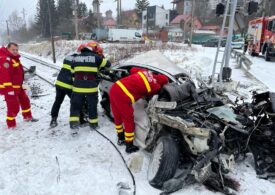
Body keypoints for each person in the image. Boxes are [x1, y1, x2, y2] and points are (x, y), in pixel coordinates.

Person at [109, 67, 169, 153]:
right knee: (128, 119)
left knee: (117, 116)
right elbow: (153, 96)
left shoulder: (146, 72)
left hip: (115, 87)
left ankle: (120, 137)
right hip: (123, 96)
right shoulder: (155, 86)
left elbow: (132, 69)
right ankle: (129, 145)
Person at [69, 41, 111, 135]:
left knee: (75, 106)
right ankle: (93, 125)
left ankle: (74, 126)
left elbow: (72, 74)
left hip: (77, 88)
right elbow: (108, 64)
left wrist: (77, 83)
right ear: (93, 50)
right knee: (92, 106)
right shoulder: (96, 58)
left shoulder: (75, 58)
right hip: (91, 88)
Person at [0, 42, 38, 129]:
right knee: (13, 107)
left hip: (18, 86)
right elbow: (4, 76)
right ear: (8, 49)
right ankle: (11, 124)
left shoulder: (13, 58)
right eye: (13, 49)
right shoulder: (5, 59)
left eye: (16, 50)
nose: (15, 51)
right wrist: (9, 90)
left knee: (25, 101)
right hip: (10, 88)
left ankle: (27, 117)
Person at [50, 54, 77, 128]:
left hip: (59, 83)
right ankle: (78, 118)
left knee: (57, 102)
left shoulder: (67, 58)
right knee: (76, 102)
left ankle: (53, 119)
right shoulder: (79, 61)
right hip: (68, 86)